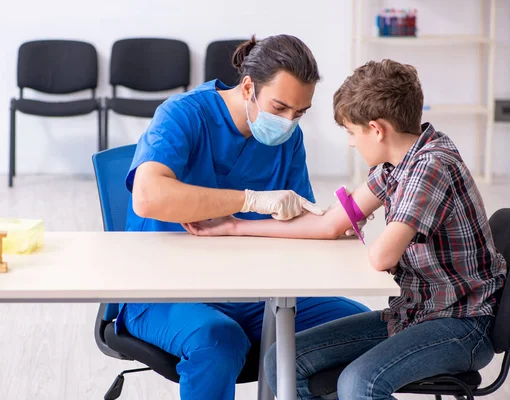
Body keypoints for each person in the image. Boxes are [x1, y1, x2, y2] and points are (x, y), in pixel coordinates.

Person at [184, 59, 508, 400]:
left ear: (377, 129)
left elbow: (382, 255)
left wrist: (362, 233)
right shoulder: (394, 166)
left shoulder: (431, 165)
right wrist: (235, 226)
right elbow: (331, 223)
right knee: (283, 361)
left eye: (353, 133)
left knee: (360, 383)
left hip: (463, 324)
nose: (352, 144)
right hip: (414, 313)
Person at [119, 34, 370, 400]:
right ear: (249, 86)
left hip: (254, 294)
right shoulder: (183, 115)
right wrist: (250, 200)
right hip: (164, 294)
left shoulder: (288, 140)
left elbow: (296, 219)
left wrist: (330, 223)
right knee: (218, 341)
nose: (288, 122)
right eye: (280, 107)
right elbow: (147, 197)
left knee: (360, 324)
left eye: (299, 113)